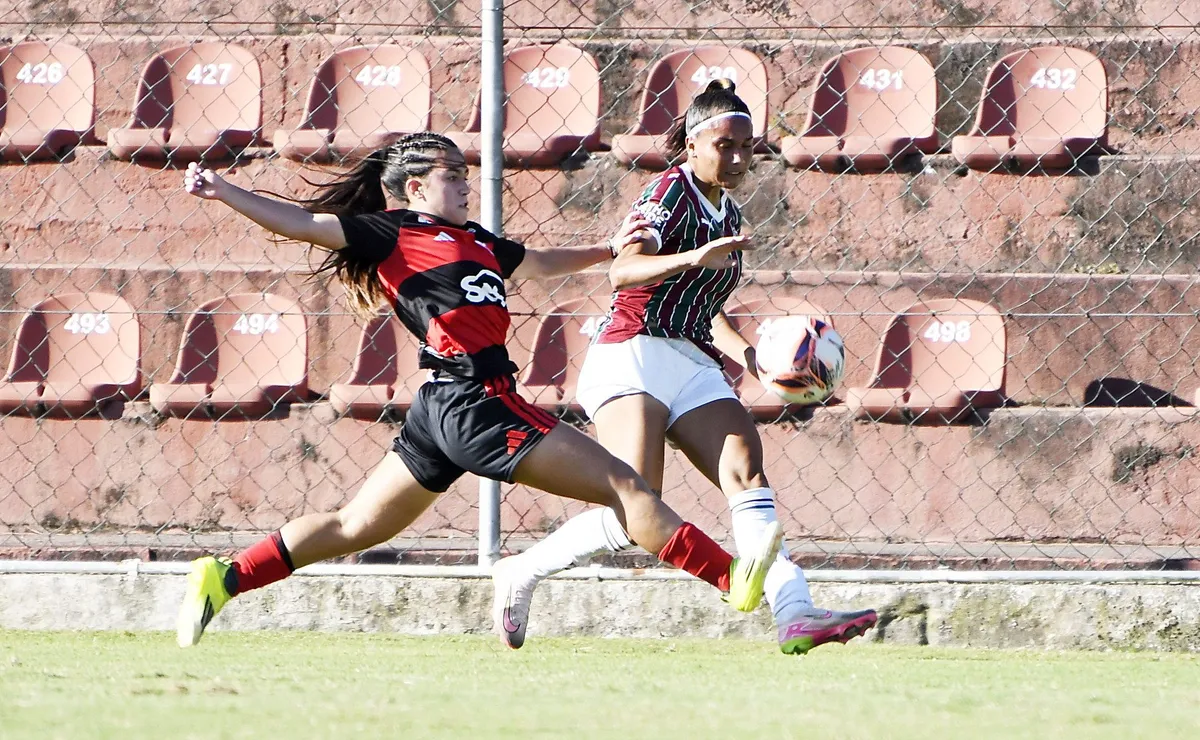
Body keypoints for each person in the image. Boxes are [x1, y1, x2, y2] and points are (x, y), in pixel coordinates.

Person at [174, 132, 783, 648]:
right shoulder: (391, 233)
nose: (466, 185)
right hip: (478, 404)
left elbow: (540, 264)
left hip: (441, 408)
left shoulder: (481, 241)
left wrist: (608, 251)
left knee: (357, 525)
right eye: (453, 176)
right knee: (628, 488)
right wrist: (223, 190)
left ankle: (225, 577)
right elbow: (303, 223)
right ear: (415, 188)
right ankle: (733, 579)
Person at [490, 81, 878, 656]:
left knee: (746, 464)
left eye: (749, 147)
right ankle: (520, 571)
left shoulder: (732, 210)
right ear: (693, 144)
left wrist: (748, 354)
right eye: (726, 145)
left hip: (692, 356)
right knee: (637, 505)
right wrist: (695, 255)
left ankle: (794, 612)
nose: (740, 158)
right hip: (633, 350)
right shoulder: (668, 192)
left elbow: (707, 303)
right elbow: (623, 272)